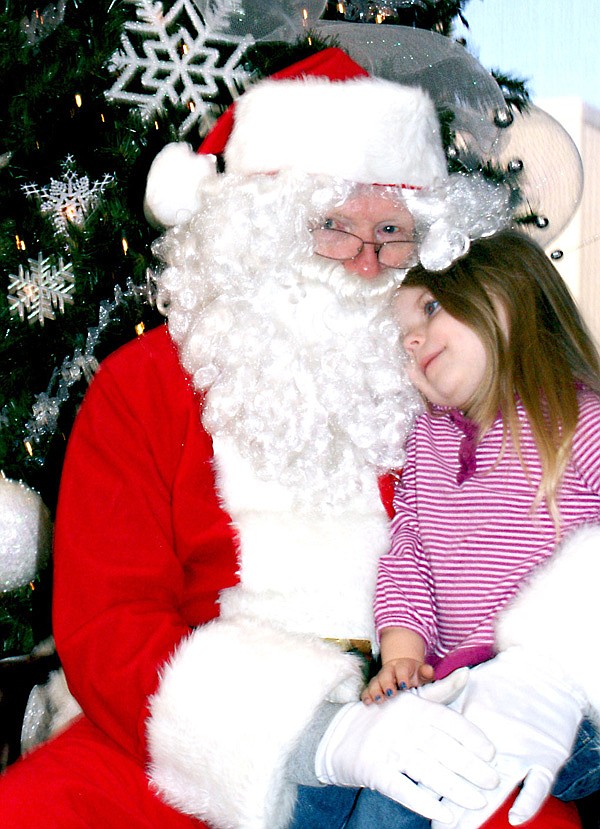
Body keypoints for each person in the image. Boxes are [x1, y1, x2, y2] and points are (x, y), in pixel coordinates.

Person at [0, 49, 585, 829]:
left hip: (434, 695)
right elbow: (110, 623)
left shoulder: (449, 379)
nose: (367, 261)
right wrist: (321, 732)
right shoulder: (141, 384)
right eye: (332, 226)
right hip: (197, 730)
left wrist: (553, 673)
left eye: (392, 231)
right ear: (258, 230)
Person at [362, 229, 600, 826]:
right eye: (400, 337)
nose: (411, 339)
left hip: (569, 697)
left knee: (402, 798)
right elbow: (409, 553)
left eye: (431, 307)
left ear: (505, 293)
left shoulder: (581, 418)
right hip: (460, 686)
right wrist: (401, 655)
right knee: (377, 777)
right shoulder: (426, 442)